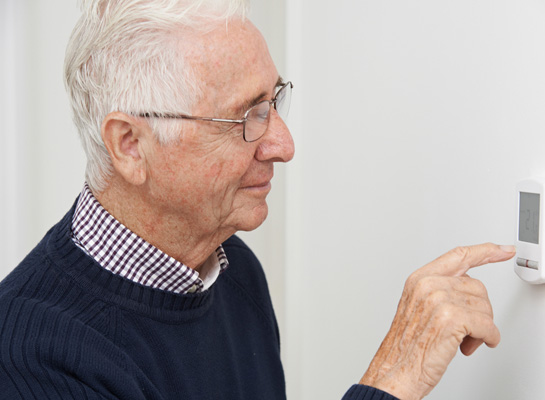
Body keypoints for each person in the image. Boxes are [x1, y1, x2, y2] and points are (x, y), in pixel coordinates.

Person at [0, 1, 516, 399]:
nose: (283, 145)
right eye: (246, 116)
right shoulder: (30, 359)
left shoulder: (236, 271)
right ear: (131, 145)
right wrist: (393, 378)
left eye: (274, 101)